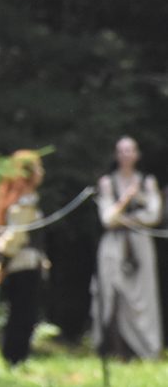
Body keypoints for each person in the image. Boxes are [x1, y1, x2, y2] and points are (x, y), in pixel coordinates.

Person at [91, 136, 163, 360]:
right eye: (121, 151)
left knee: (144, 296)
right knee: (111, 292)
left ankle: (144, 349)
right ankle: (113, 348)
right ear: (116, 155)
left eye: (130, 150)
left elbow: (154, 216)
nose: (125, 155)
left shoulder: (147, 182)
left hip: (140, 244)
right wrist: (125, 201)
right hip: (113, 245)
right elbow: (107, 219)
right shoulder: (107, 182)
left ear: (137, 154)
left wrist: (131, 208)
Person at [0, 150, 49, 365]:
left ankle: (16, 355)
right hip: (22, 264)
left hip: (25, 263)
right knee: (22, 312)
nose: (42, 172)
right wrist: (2, 264)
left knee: (21, 311)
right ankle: (15, 356)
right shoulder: (25, 203)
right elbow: (15, 237)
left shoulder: (24, 200)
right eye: (38, 168)